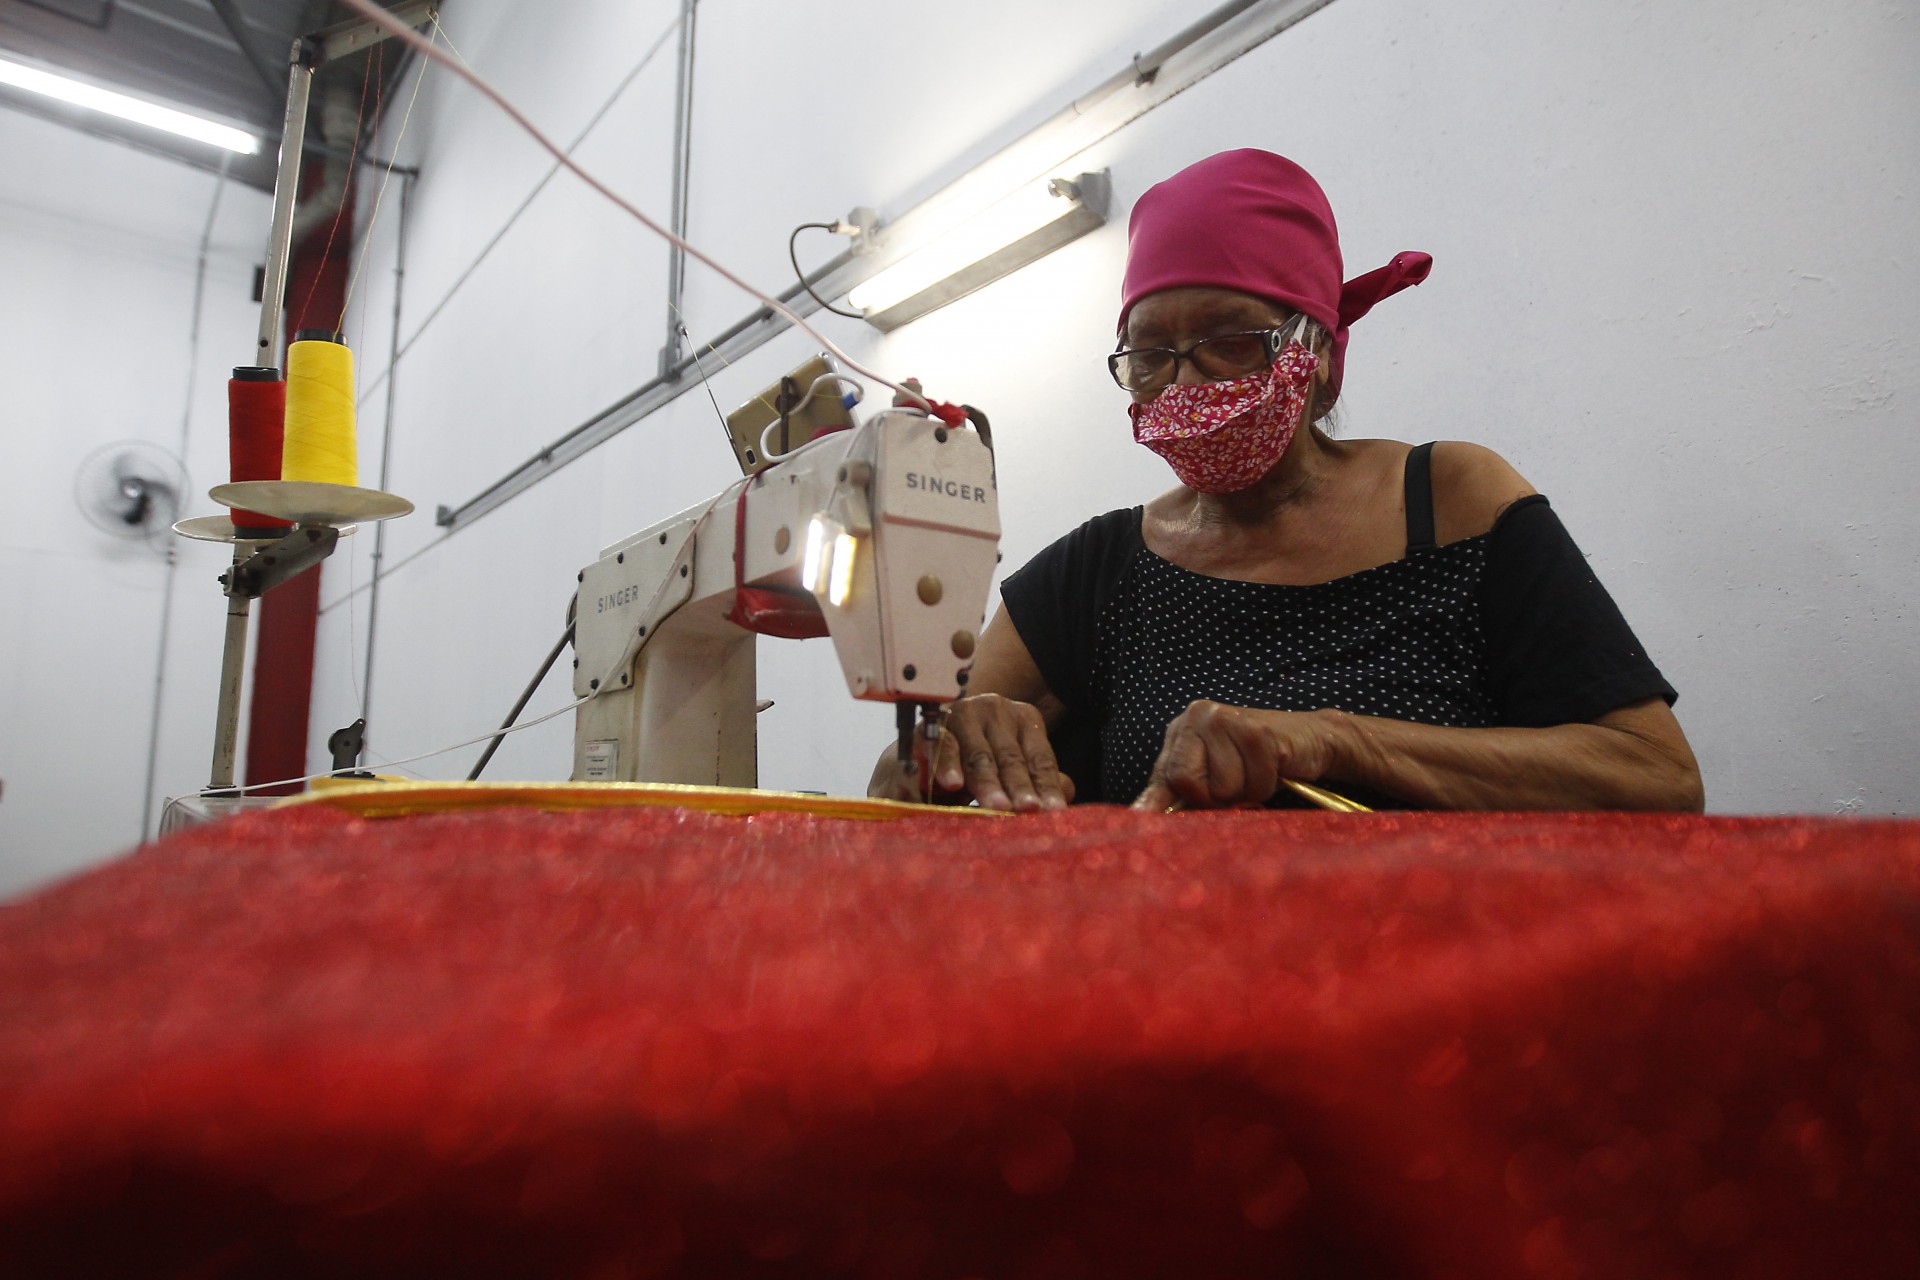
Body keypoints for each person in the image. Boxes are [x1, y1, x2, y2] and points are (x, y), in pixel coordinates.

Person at [869, 149, 1702, 814]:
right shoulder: (1094, 575)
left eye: (1233, 338)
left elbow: (1656, 778)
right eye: (1150, 352)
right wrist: (948, 746)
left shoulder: (1450, 503)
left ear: (1324, 361)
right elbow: (905, 787)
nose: (1185, 383)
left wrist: (1335, 742)